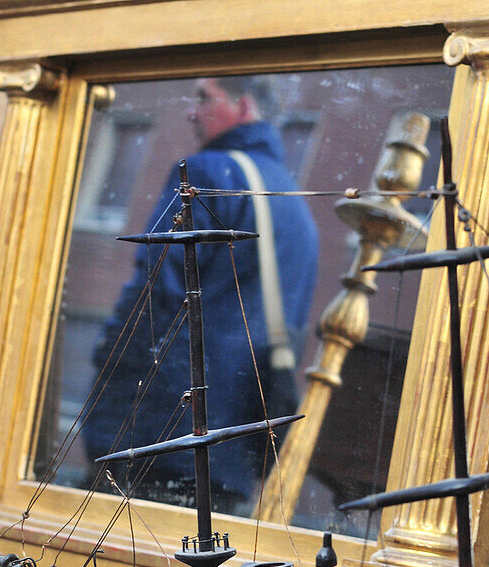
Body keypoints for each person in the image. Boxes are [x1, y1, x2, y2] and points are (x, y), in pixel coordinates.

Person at [82, 75, 319, 514]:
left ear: (245, 106)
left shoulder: (206, 174)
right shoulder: (294, 203)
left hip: (163, 434)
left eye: (206, 97)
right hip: (234, 452)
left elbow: (154, 297)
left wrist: (107, 398)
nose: (193, 111)